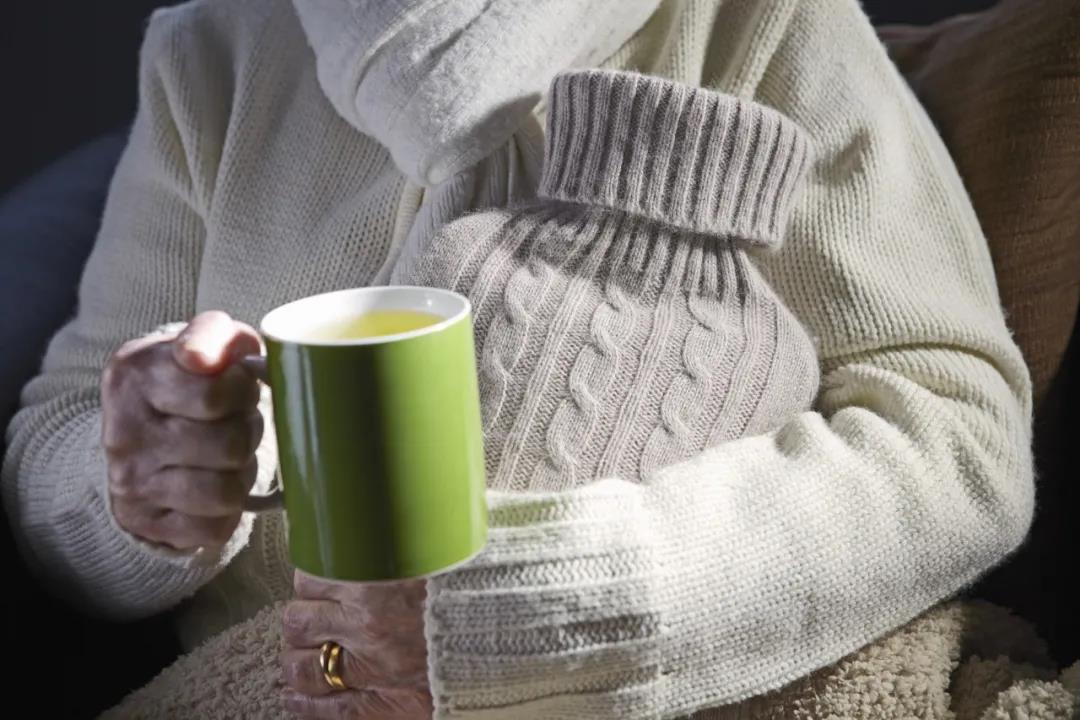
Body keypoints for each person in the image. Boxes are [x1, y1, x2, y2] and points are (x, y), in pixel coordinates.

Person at [2, 0, 1035, 717]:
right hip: (285, 677)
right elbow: (55, 462)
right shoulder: (213, 54)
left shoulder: (761, 24)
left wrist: (565, 609)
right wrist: (141, 487)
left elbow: (957, 435)